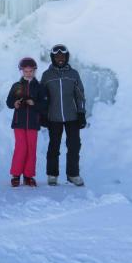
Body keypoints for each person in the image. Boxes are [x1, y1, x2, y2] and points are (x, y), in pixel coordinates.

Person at [41, 44, 86, 186]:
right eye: (57, 56)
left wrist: (81, 113)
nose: (60, 58)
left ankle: (73, 174)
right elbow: (43, 97)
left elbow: (80, 95)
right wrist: (43, 114)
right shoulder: (47, 75)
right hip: (54, 117)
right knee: (54, 146)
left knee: (74, 145)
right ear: (53, 58)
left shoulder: (73, 74)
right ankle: (52, 175)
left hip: (71, 116)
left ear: (66, 57)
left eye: (62, 56)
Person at [6, 58, 47, 187]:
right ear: (21, 71)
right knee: (21, 148)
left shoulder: (40, 87)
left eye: (31, 71)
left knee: (31, 149)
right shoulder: (16, 86)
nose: (28, 73)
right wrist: (15, 103)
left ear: (35, 71)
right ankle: (16, 175)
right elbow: (8, 103)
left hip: (33, 123)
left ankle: (29, 176)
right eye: (26, 71)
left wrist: (34, 103)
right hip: (19, 122)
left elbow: (44, 105)